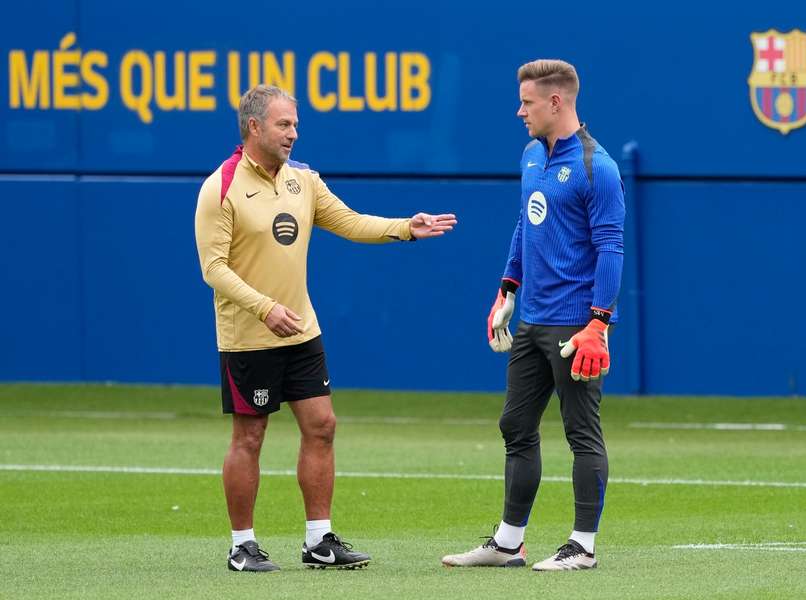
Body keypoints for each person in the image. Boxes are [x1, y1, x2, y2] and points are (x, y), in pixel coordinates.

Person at [195, 84, 456, 572]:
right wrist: (263, 308)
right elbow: (213, 268)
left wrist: (405, 227)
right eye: (284, 124)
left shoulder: (303, 181)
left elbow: (350, 222)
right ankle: (241, 546)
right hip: (249, 336)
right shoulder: (221, 186)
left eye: (295, 124)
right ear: (254, 127)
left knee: (322, 426)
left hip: (301, 331)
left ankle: (319, 541)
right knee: (249, 439)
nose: (294, 133)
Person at [441, 59, 624, 571]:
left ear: (556, 102)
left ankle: (583, 546)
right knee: (515, 424)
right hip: (532, 321)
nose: (519, 110)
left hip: (575, 327)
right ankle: (508, 543)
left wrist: (598, 324)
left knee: (581, 432)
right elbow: (526, 225)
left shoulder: (597, 166)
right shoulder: (529, 155)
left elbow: (611, 247)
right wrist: (507, 288)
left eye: (526, 102)